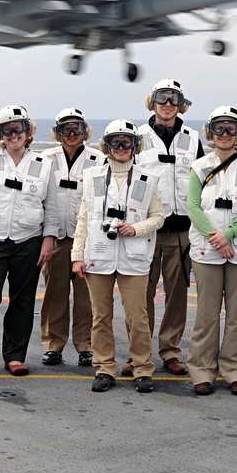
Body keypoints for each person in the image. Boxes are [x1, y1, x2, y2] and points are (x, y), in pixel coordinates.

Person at [0, 105, 58, 381]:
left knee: (23, 301)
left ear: (27, 130)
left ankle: (15, 357)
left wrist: (48, 239)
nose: (14, 134)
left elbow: (50, 207)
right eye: (7, 129)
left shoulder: (43, 165)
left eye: (18, 128)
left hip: (28, 242)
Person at [71, 120, 165, 393]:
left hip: (134, 256)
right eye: (116, 142)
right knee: (100, 316)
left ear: (136, 146)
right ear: (107, 145)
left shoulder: (148, 178)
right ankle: (104, 367)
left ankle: (142, 368)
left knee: (137, 316)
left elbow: (158, 217)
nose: (121, 147)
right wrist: (77, 255)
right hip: (98, 254)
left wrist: (136, 228)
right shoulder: (93, 176)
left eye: (127, 142)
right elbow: (84, 218)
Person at [187, 106, 237, 395]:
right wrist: (215, 237)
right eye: (219, 127)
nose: (225, 134)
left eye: (231, 128)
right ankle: (202, 370)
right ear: (210, 131)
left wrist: (229, 234)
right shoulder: (199, 167)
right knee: (207, 313)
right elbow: (193, 206)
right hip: (207, 250)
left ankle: (235, 369)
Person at [132, 79, 204, 377]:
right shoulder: (137, 136)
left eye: (174, 99)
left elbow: (203, 183)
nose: (168, 104)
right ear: (153, 101)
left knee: (177, 293)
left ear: (181, 104)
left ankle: (171, 350)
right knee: (141, 293)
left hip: (181, 230)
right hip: (145, 230)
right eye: (162, 97)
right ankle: (140, 353)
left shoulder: (192, 138)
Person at [39, 108, 103, 368]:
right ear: (58, 132)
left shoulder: (98, 159)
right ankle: (53, 345)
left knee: (86, 296)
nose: (72, 133)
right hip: (55, 237)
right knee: (55, 293)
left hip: (85, 239)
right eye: (66, 128)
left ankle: (86, 345)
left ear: (85, 130)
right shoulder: (45, 159)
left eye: (77, 127)